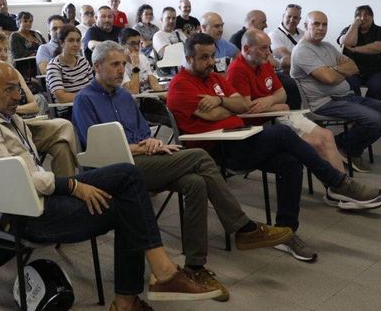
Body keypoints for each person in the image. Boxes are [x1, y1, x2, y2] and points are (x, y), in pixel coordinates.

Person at [0, 59, 224, 310]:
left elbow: (30, 173)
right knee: (127, 207)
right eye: (10, 89)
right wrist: (71, 186)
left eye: (17, 87)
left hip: (35, 197)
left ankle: (156, 278)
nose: (18, 95)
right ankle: (139, 292)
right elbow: (13, 180)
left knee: (127, 175)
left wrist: (66, 185)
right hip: (18, 213)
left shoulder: (7, 116)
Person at [73, 41, 293, 300]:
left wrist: (151, 141)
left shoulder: (124, 96)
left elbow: (144, 130)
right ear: (97, 66)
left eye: (123, 64)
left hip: (143, 159)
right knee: (199, 157)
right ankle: (243, 227)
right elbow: (95, 147)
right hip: (115, 168)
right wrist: (141, 148)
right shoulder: (84, 99)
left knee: (195, 183)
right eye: (115, 64)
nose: (121, 69)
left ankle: (195, 266)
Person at [168, 32, 381, 261]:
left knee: (290, 163)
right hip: (217, 151)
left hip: (241, 138)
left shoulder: (213, 79)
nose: (211, 62)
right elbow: (220, 113)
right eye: (204, 57)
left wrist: (223, 101)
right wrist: (231, 107)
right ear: (188, 58)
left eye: (212, 56)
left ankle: (286, 232)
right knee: (282, 133)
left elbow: (242, 104)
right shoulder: (180, 86)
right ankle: (337, 182)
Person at [226, 29, 347, 177]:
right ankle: (337, 186)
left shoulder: (263, 63)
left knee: (327, 135)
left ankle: (341, 185)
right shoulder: (237, 70)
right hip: (261, 125)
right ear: (246, 49)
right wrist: (278, 105)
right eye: (264, 48)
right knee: (316, 143)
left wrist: (270, 101)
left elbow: (282, 94)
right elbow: (246, 109)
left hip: (277, 116)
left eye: (269, 47)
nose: (269, 52)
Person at [290, 11, 381, 172]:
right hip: (325, 102)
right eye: (316, 24)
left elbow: (353, 67)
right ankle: (349, 150)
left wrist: (333, 70)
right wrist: (338, 70)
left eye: (324, 24)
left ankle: (340, 145)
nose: (321, 28)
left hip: (346, 97)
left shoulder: (327, 46)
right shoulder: (303, 51)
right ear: (306, 25)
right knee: (374, 119)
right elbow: (328, 78)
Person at [0, 30, 78, 176]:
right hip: (7, 130)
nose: (4, 54)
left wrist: (13, 108)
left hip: (28, 123)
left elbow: (35, 105)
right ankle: (72, 179)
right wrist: (16, 109)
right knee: (64, 127)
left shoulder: (13, 73)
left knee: (62, 145)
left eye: (6, 50)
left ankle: (67, 188)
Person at [337, 5, 381, 100]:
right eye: (359, 15)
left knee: (377, 87)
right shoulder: (348, 30)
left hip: (377, 71)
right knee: (347, 86)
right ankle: (358, 106)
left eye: (366, 15)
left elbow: (377, 47)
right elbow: (346, 42)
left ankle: (369, 107)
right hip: (352, 70)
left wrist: (354, 49)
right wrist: (354, 25)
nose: (362, 18)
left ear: (372, 17)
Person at [46, 25, 93, 115]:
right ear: (61, 43)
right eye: (71, 40)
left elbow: (93, 88)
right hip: (69, 111)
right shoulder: (54, 66)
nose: (75, 44)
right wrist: (88, 96)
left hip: (88, 106)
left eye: (78, 40)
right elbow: (61, 97)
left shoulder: (83, 61)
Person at [268, 3, 304, 110]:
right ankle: (294, 118)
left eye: (295, 17)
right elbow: (285, 56)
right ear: (283, 16)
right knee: (294, 85)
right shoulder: (274, 35)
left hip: (302, 71)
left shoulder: (304, 34)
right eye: (289, 16)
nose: (292, 20)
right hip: (283, 73)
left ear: (300, 19)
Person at [119, 29, 164, 94]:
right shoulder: (120, 65)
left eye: (138, 43)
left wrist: (166, 98)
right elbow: (134, 92)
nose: (137, 48)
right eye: (132, 44)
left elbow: (154, 83)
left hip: (149, 96)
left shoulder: (142, 57)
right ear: (122, 45)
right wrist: (135, 66)